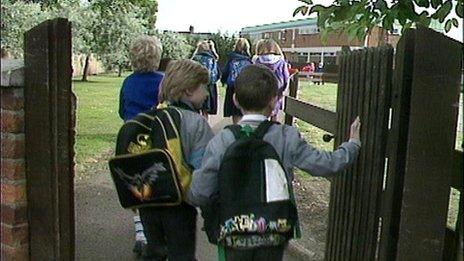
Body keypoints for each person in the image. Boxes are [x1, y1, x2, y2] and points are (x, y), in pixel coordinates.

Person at [187, 64, 361, 261]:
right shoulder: (286, 136)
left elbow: (200, 191)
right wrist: (352, 144)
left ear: (235, 100)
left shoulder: (222, 140)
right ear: (274, 101)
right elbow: (326, 164)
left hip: (232, 227)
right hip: (274, 227)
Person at [139, 59, 215, 261]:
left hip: (148, 203)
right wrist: (209, 210)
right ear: (189, 90)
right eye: (204, 88)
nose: (207, 93)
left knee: (155, 252)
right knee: (182, 255)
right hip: (180, 206)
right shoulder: (197, 124)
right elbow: (204, 172)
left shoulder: (152, 117)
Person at [117, 35, 164, 257]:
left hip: (132, 138)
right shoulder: (163, 81)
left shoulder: (128, 82)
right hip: (158, 137)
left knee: (135, 181)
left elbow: (122, 111)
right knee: (159, 179)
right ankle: (157, 229)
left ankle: (141, 232)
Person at [253, 39, 290, 122]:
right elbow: (286, 78)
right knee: (274, 115)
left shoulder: (257, 61)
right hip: (277, 93)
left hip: (261, 93)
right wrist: (283, 91)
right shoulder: (281, 62)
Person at [221, 38, 252, 124]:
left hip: (232, 88)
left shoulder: (232, 58)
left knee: (235, 113)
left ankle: (237, 131)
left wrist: (223, 81)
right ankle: (246, 133)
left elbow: (226, 72)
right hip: (244, 89)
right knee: (244, 112)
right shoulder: (248, 60)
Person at [192, 40, 220, 120]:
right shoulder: (212, 59)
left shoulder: (195, 58)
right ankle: (205, 126)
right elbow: (217, 75)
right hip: (209, 87)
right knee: (205, 111)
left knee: (196, 109)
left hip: (196, 86)